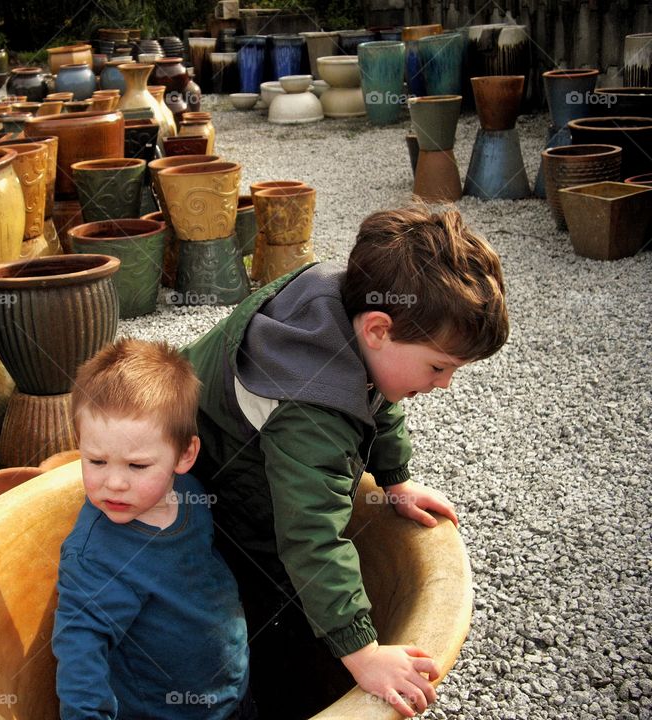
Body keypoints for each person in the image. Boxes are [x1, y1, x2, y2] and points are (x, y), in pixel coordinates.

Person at [181, 205, 509, 718]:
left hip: (238, 434)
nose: (445, 383)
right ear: (378, 329)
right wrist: (363, 651)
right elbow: (309, 537)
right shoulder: (312, 411)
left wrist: (396, 481)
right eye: (439, 366)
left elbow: (380, 400)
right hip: (208, 473)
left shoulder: (354, 303)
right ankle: (266, 690)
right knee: (270, 590)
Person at [52, 339, 253, 720]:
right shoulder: (95, 557)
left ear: (184, 456)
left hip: (231, 690)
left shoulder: (190, 494)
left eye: (137, 466)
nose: (113, 482)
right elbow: (79, 656)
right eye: (96, 460)